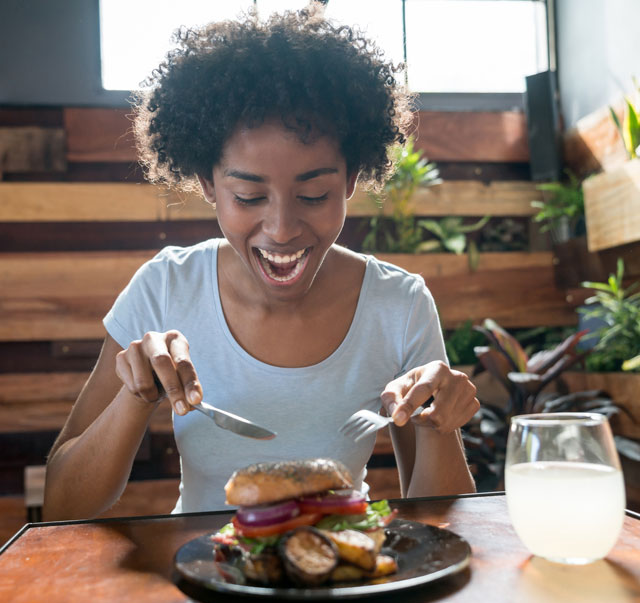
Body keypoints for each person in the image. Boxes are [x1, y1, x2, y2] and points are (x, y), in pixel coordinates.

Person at [43, 5, 479, 521]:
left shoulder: (398, 304)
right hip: (203, 577)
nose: (281, 229)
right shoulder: (165, 288)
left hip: (339, 576)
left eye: (314, 194)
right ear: (208, 183)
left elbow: (438, 519)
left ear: (352, 179)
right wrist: (136, 397)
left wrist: (438, 422)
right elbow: (61, 506)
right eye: (249, 197)